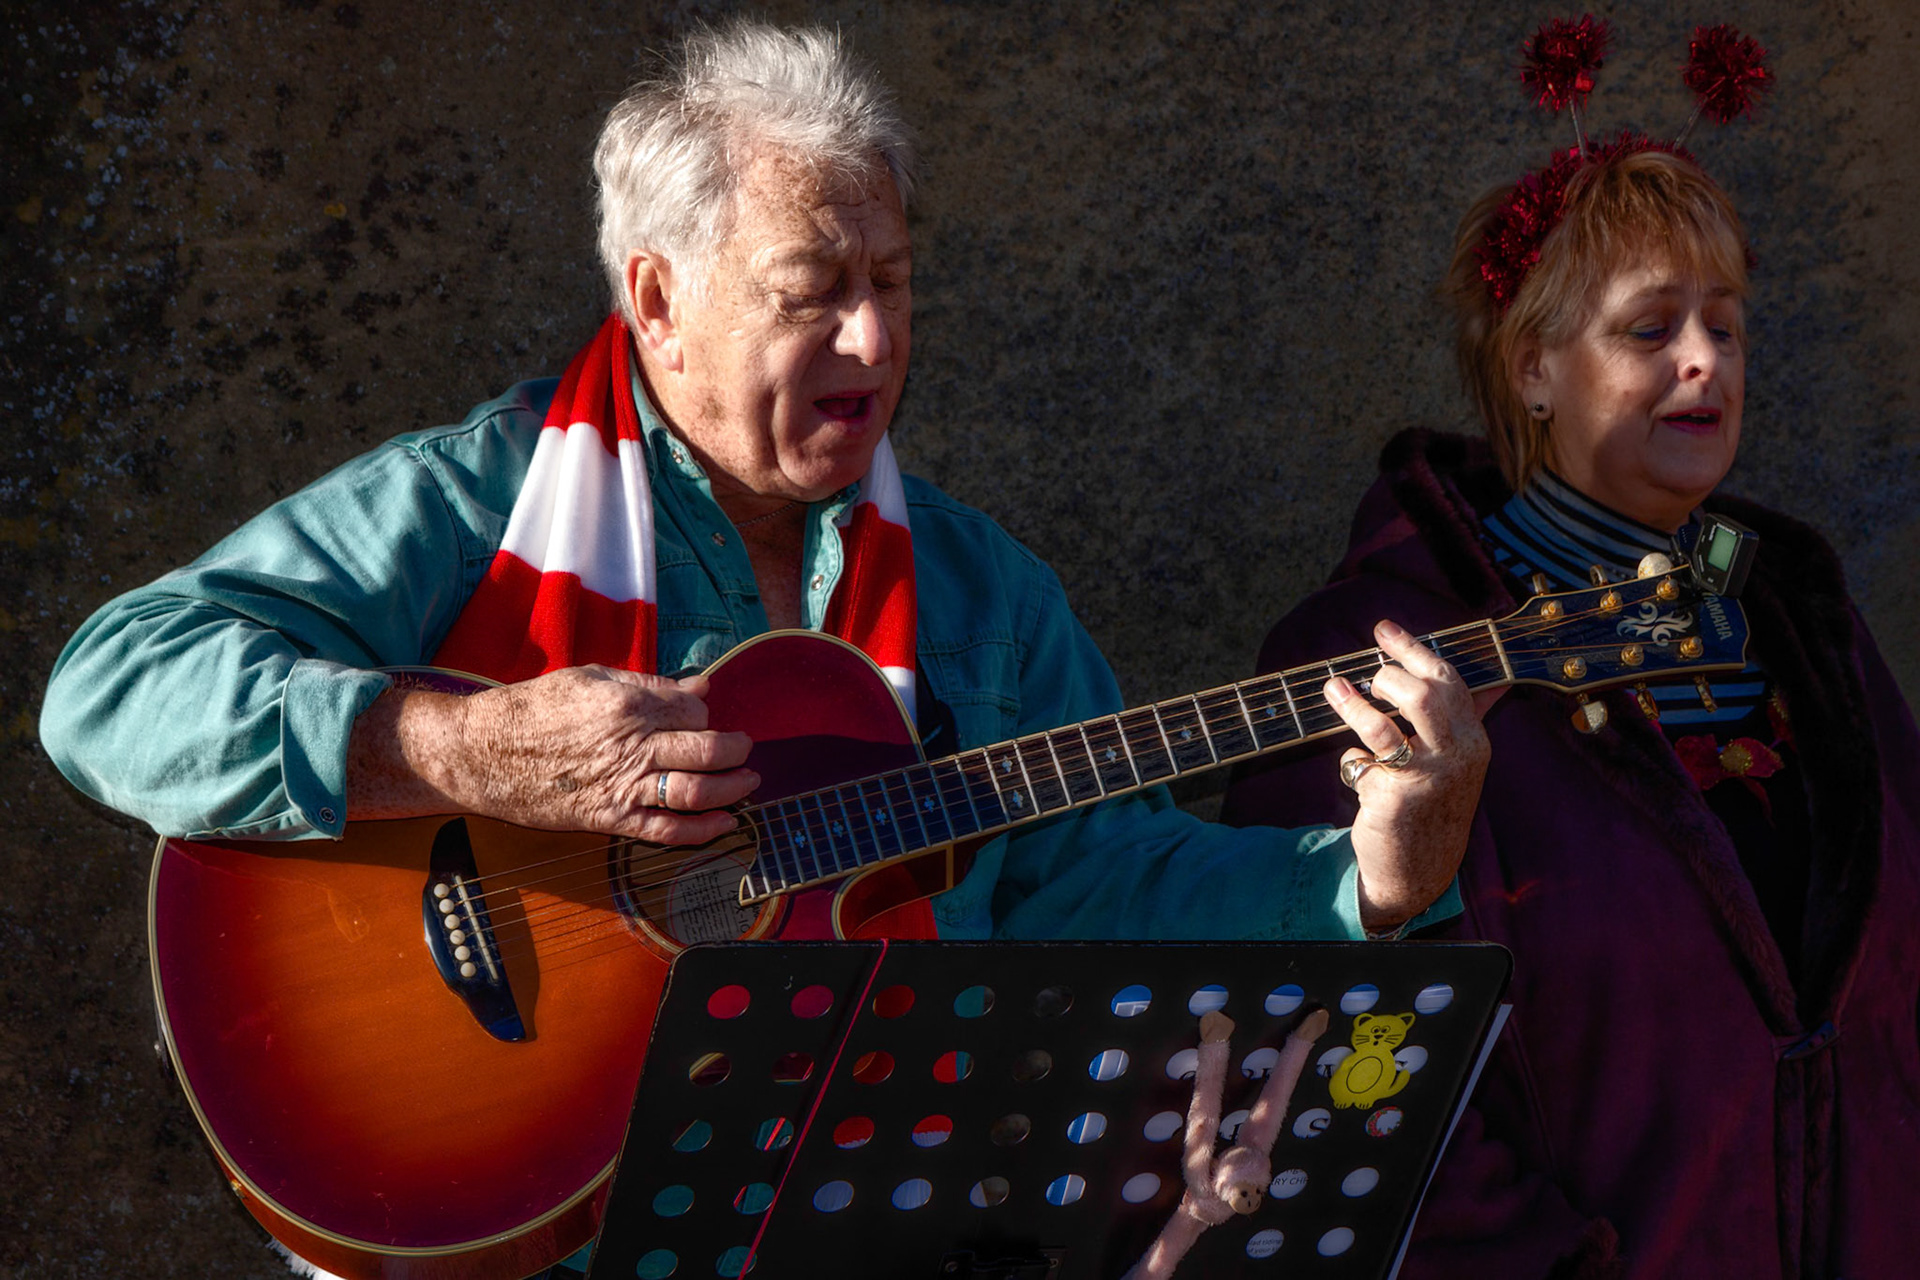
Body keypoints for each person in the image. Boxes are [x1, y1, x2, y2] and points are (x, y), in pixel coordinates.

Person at [39, 21, 1487, 1279]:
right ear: (659, 300)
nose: (871, 339)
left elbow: (1106, 885)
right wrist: (459, 747)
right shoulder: (471, 502)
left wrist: (1376, 873)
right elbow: (108, 688)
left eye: (896, 280)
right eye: (812, 290)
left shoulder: (986, 596)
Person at [1223, 143, 1920, 1275]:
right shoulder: (1370, 662)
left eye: (1727, 324)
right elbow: (1327, 1068)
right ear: (1534, 366)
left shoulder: (1803, 623)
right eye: (1651, 329)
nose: (1706, 359)